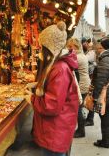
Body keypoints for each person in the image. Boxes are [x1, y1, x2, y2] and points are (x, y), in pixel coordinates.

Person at [26, 21, 79, 156]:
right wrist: (37, 84)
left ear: (49, 47)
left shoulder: (60, 69)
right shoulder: (57, 64)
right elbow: (54, 89)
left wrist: (31, 99)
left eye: (42, 46)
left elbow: (52, 105)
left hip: (55, 131)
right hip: (56, 130)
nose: (39, 49)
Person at [92, 38, 109, 148]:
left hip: (105, 93)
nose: (98, 49)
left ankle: (105, 141)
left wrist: (95, 96)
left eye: (100, 47)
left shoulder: (106, 59)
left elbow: (101, 80)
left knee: (105, 117)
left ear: (104, 48)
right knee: (108, 116)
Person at [67, 38, 91, 138]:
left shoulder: (77, 57)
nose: (68, 48)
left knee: (78, 109)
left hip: (81, 84)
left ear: (76, 47)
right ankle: (80, 129)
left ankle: (81, 131)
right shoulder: (81, 55)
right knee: (79, 108)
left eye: (70, 46)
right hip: (84, 83)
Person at [85, 42, 103, 126]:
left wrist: (95, 93)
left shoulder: (102, 58)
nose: (97, 49)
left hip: (99, 85)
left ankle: (90, 119)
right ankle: (90, 118)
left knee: (97, 104)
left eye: (99, 48)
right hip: (95, 82)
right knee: (93, 102)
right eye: (97, 48)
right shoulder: (98, 56)